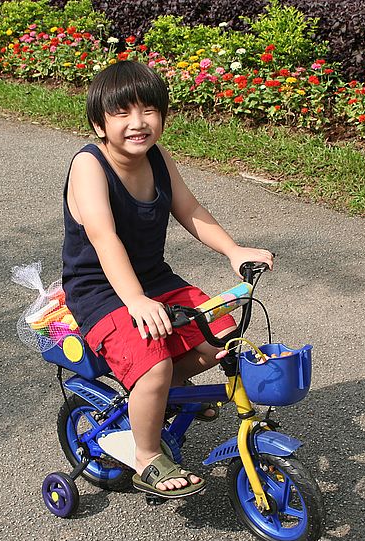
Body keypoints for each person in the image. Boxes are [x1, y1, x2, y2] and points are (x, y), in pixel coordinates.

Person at [61, 60, 273, 498]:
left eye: (149, 111)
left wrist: (233, 250)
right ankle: (146, 454)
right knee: (153, 364)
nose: (137, 123)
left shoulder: (157, 158)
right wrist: (136, 300)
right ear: (98, 123)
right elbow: (104, 238)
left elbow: (190, 209)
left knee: (223, 337)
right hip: (100, 290)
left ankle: (169, 393)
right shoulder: (89, 166)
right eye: (122, 113)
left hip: (154, 278)